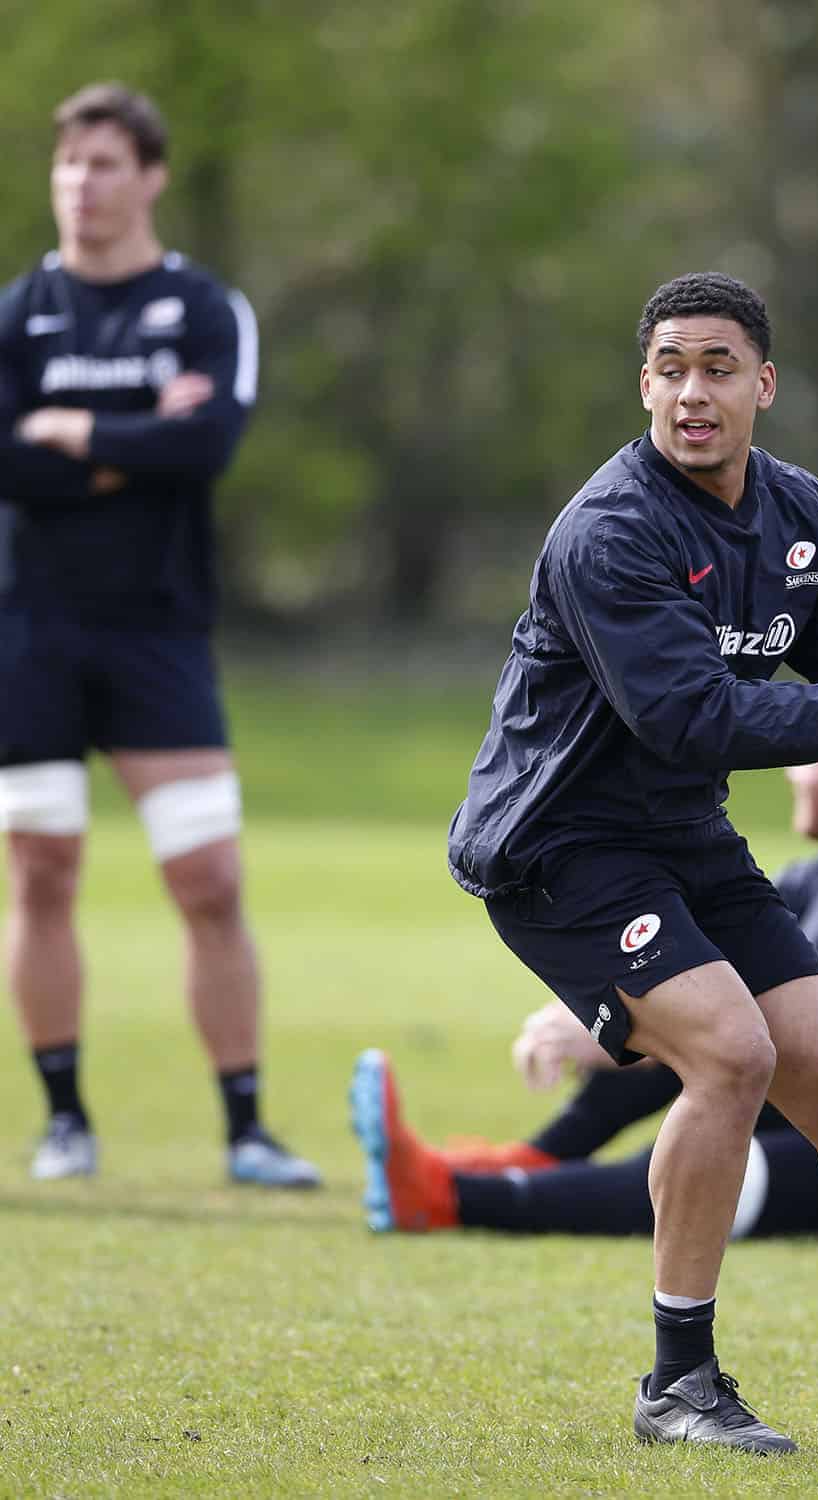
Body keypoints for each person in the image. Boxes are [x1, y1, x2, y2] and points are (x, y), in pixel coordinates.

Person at [352, 272, 818, 1453]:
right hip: (559, 847)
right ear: (644, 383)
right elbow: (691, 722)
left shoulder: (805, 520)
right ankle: (677, 1385)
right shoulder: (613, 530)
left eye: (717, 369)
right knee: (735, 1053)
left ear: (765, 384)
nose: (692, 393)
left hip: (682, 840)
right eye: (669, 369)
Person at [0, 83, 319, 1189]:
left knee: (211, 881)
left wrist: (75, 431)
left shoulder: (201, 308)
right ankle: (65, 1119)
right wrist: (137, 438)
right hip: (29, 632)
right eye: (68, 165)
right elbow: (7, 460)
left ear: (150, 177)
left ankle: (245, 1129)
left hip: (158, 639)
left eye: (103, 164)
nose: (81, 186)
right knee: (40, 872)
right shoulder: (17, 312)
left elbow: (209, 447)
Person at [353, 750, 818, 1245]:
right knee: (690, 1034)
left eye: (812, 759)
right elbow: (695, 963)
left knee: (702, 1158)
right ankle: (531, 1161)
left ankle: (447, 1195)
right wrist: (604, 1008)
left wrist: (622, 1040)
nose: (793, 769)